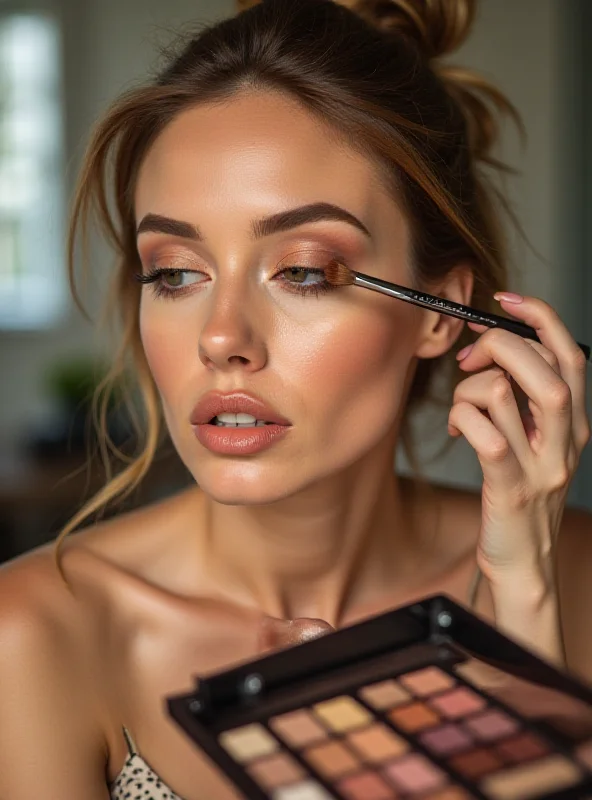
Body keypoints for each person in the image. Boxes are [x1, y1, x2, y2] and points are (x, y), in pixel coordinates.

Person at [0, 0, 590, 797]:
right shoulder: (36, 634)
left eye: (304, 270)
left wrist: (524, 604)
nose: (221, 336)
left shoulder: (574, 581)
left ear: (437, 312)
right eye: (176, 272)